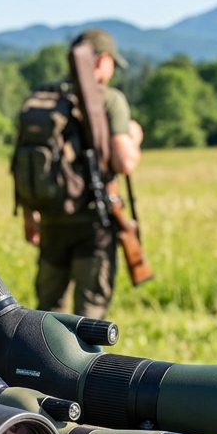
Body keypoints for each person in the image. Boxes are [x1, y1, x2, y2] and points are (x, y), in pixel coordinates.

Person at [23, 28, 144, 319]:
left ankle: (44, 351)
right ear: (102, 60)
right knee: (90, 315)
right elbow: (124, 162)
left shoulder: (45, 100)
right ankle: (84, 353)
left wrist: (29, 215)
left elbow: (28, 160)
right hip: (94, 223)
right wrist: (134, 137)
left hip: (52, 219)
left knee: (48, 314)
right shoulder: (109, 100)